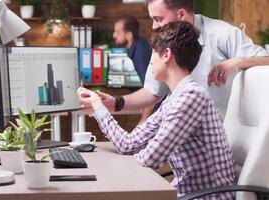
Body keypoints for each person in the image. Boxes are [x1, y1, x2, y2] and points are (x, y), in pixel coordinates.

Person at [77, 21, 235, 199]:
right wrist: (98, 105)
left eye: (153, 52)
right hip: (186, 193)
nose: (150, 61)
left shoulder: (191, 97)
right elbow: (127, 144)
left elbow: (150, 158)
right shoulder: (173, 98)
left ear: (167, 55)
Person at [94, 0, 269, 121]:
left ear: (181, 14)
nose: (154, 26)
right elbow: (152, 92)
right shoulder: (164, 42)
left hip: (223, 139)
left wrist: (236, 62)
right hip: (184, 139)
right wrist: (116, 102)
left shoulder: (224, 34)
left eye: (158, 19)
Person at [112, 16, 154, 122]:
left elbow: (153, 90)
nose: (114, 35)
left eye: (117, 32)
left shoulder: (140, 54)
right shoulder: (139, 46)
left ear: (129, 35)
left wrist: (143, 122)